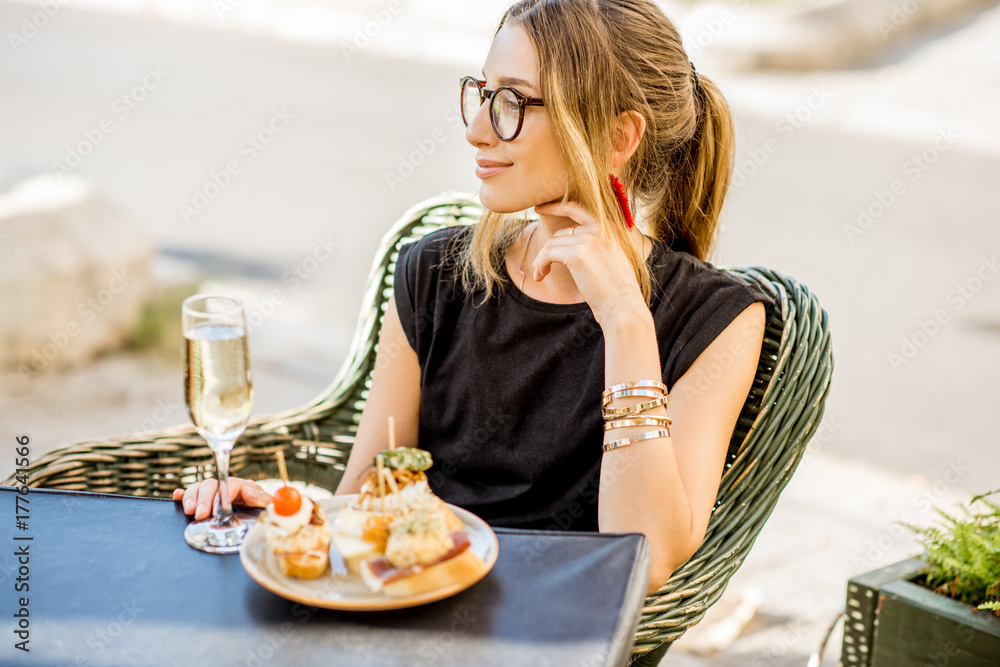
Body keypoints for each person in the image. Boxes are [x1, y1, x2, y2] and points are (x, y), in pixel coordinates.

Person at [174, 0, 774, 608]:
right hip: (406, 607)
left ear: (618, 136)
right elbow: (365, 494)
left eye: (512, 102)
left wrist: (624, 319)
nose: (477, 130)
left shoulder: (716, 320)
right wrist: (291, 510)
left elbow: (641, 561)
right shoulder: (433, 274)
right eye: (482, 94)